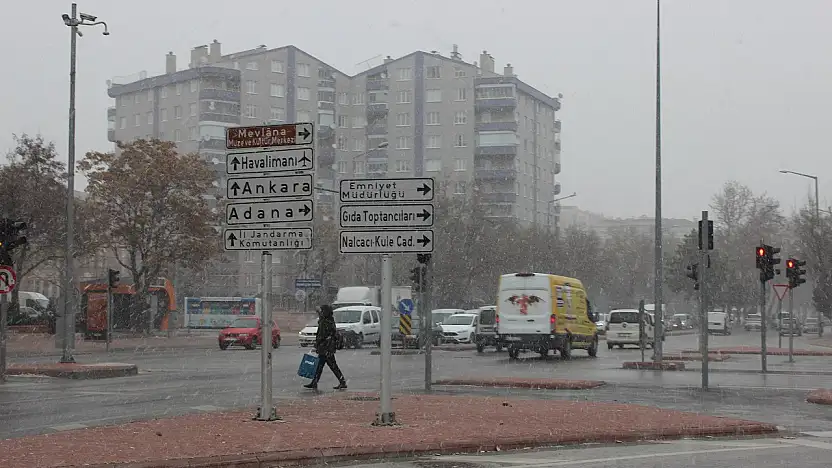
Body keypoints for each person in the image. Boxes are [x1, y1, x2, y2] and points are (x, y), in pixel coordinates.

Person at [304, 304, 347, 390]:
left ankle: (342, 382)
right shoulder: (329, 320)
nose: (321, 312)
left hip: (326, 348)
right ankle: (315, 382)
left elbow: (322, 335)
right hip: (327, 347)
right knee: (320, 366)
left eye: (322, 311)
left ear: (325, 312)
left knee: (331, 366)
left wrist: (317, 344)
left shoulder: (325, 322)